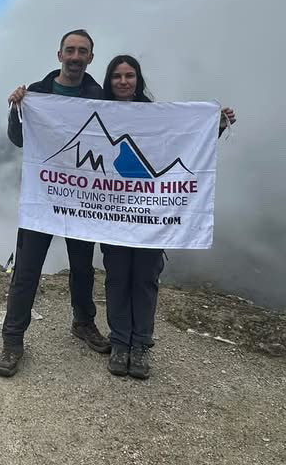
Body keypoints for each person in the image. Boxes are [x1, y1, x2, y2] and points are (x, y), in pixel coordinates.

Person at [99, 54, 236, 379]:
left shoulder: (155, 116)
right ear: (109, 80)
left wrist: (214, 126)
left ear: (137, 80)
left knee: (145, 280)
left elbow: (183, 145)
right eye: (117, 76)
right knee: (117, 279)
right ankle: (120, 341)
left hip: (152, 218)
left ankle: (141, 345)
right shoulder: (98, 113)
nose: (123, 81)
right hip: (113, 218)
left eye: (129, 75)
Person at [0, 28, 112, 378]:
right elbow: (19, 140)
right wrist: (16, 108)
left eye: (83, 51)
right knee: (27, 270)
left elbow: (142, 127)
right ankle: (12, 340)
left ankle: (83, 322)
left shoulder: (99, 95)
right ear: (59, 55)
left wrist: (207, 126)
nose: (76, 57)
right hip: (43, 198)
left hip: (82, 199)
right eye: (70, 50)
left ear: (91, 57)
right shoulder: (38, 93)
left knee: (82, 267)